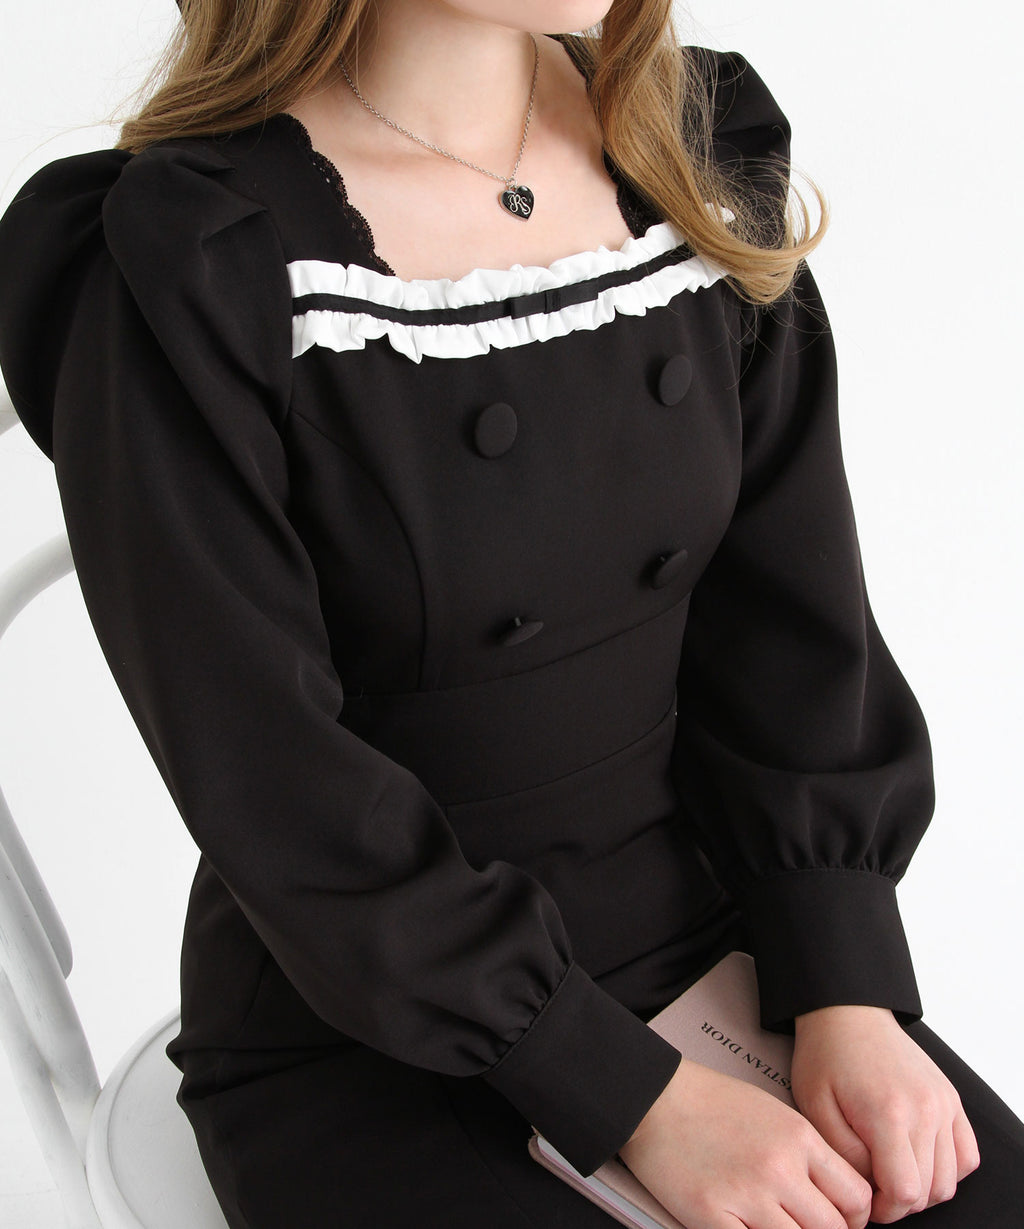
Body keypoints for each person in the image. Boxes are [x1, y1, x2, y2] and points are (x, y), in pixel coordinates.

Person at [0, 1, 1022, 1226]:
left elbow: (793, 623)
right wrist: (636, 1098)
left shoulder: (687, 151)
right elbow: (269, 776)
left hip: (715, 936)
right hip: (376, 1012)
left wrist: (844, 983)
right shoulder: (190, 255)